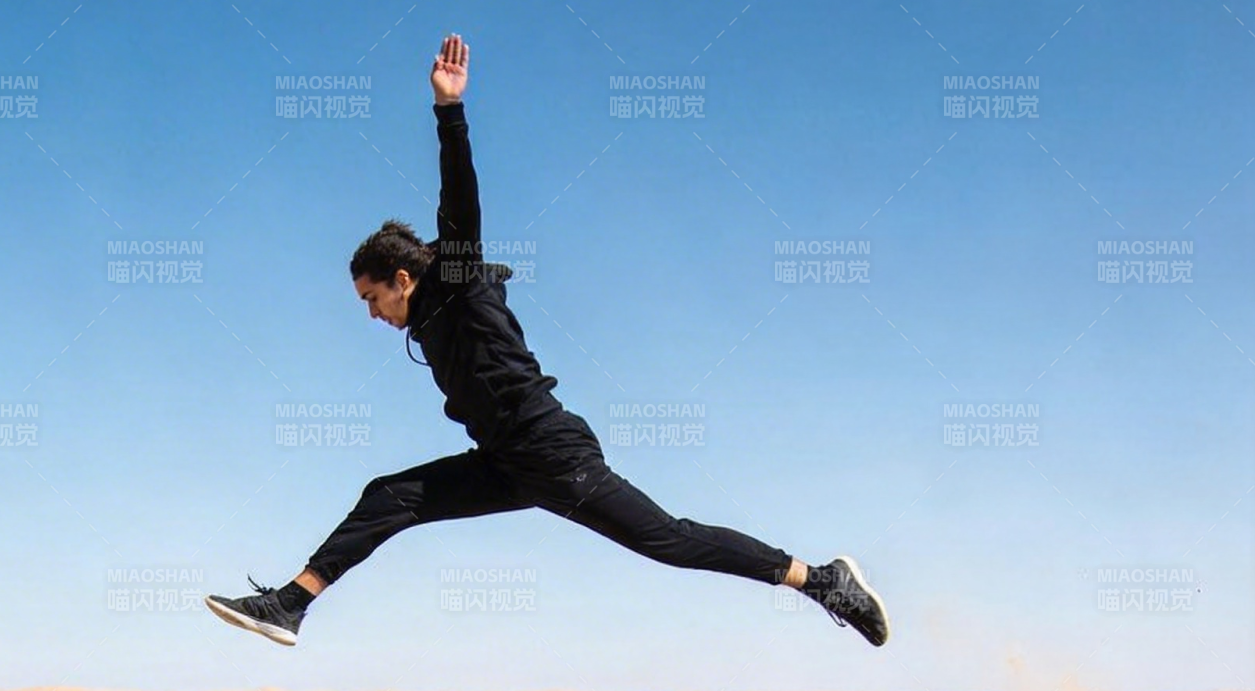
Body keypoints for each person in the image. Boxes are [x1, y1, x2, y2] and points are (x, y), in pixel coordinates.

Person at [206, 33, 889, 649]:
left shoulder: (459, 283)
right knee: (391, 495)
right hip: (503, 460)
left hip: (553, 453)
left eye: (371, 297)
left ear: (403, 277)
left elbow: (460, 200)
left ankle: (822, 580)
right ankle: (290, 605)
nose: (371, 315)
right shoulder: (429, 320)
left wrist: (449, 112)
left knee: (669, 540)